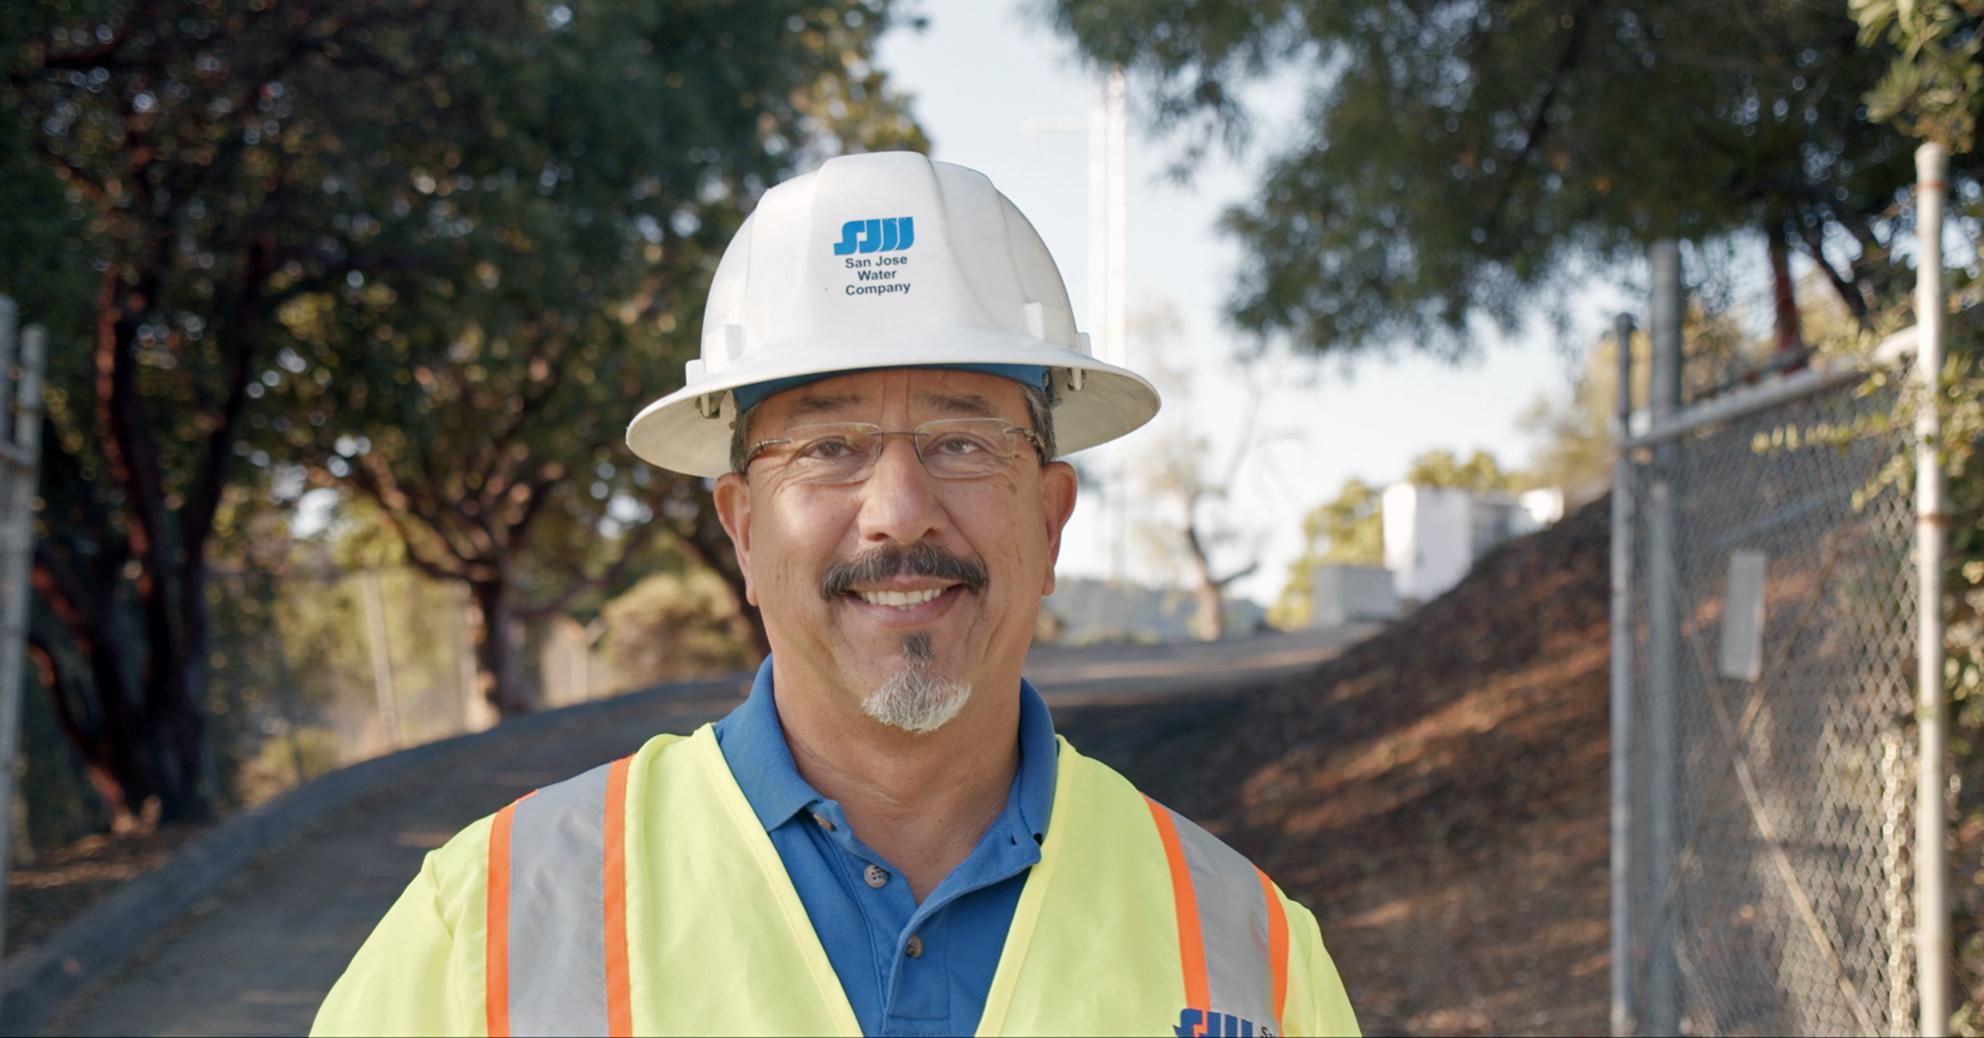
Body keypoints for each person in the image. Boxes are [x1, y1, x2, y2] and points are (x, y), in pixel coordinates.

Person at [312, 152, 1359, 1037]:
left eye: (962, 440)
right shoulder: (487, 926)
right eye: (828, 447)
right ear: (741, 529)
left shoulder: (1252, 954)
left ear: (1048, 519)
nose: (899, 512)